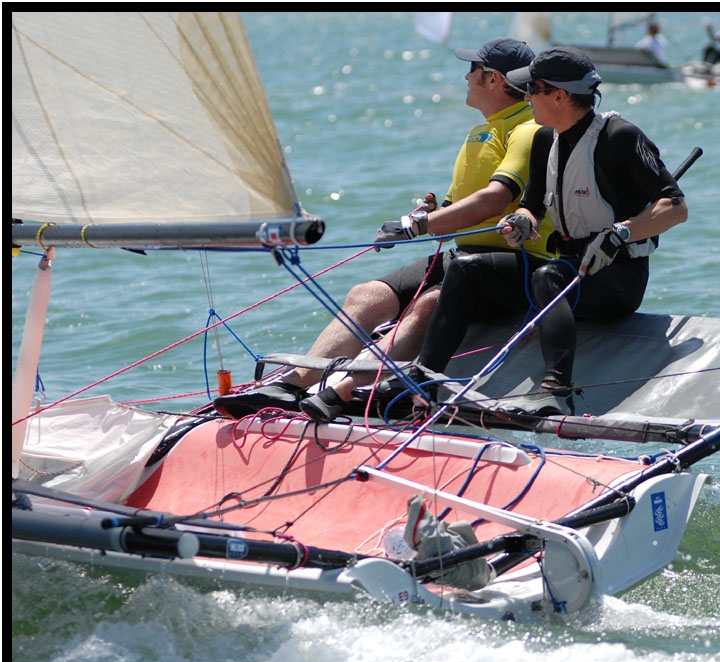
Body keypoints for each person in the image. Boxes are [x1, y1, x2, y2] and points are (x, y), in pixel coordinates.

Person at [214, 38, 555, 422]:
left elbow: (494, 201)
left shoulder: (526, 130)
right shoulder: (482, 132)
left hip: (513, 263)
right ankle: (293, 384)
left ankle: (343, 388)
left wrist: (417, 227)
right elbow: (462, 204)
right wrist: (435, 210)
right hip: (463, 255)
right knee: (367, 294)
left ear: (493, 79)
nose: (465, 75)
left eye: (472, 69)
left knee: (429, 303)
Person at [415, 46, 687, 415]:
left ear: (559, 95)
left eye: (532, 90)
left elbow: (675, 207)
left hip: (616, 279)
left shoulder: (620, 137)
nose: (526, 98)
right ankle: (424, 379)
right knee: (468, 268)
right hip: (567, 270)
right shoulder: (545, 139)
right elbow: (532, 202)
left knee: (548, 276)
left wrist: (622, 233)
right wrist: (523, 219)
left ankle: (556, 389)